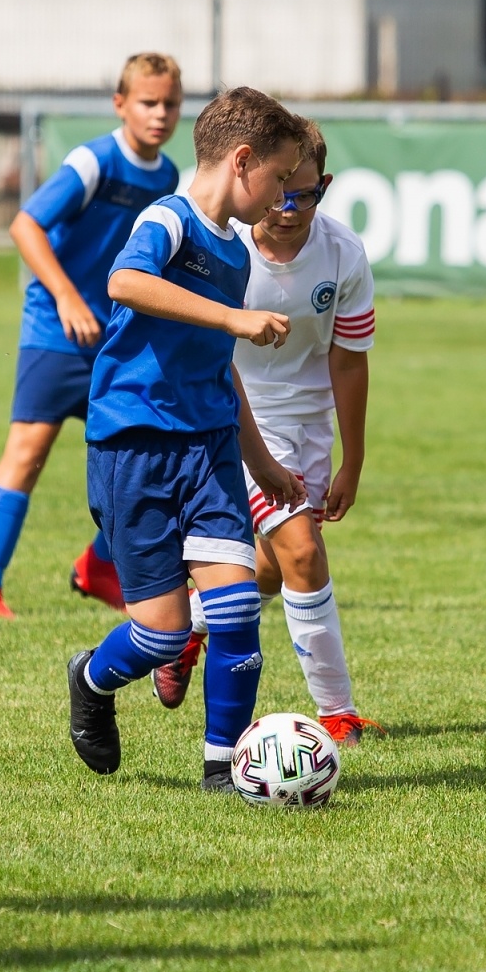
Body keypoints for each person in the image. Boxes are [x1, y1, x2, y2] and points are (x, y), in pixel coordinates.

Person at [65, 87, 307, 792]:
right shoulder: (168, 219)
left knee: (234, 609)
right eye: (280, 177)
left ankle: (223, 768)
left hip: (206, 450)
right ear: (241, 161)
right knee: (163, 635)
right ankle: (89, 678)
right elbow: (126, 281)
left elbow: (216, 365)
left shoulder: (235, 253)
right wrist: (236, 320)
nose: (283, 198)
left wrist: (260, 461)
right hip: (132, 447)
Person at [151, 121, 384, 746]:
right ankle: (337, 711)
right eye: (279, 190)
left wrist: (353, 461)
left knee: (274, 572)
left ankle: (183, 631)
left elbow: (349, 359)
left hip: (309, 431)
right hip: (239, 421)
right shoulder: (224, 248)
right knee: (304, 552)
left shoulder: (344, 256)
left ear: (322, 187)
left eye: (302, 194)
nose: (286, 208)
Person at [0, 53, 183, 619]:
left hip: (115, 338)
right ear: (120, 104)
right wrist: (65, 295)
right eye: (147, 103)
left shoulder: (168, 177)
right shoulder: (94, 161)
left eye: (170, 104)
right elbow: (24, 223)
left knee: (142, 458)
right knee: (28, 452)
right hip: (55, 329)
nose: (159, 114)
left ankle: (97, 567)